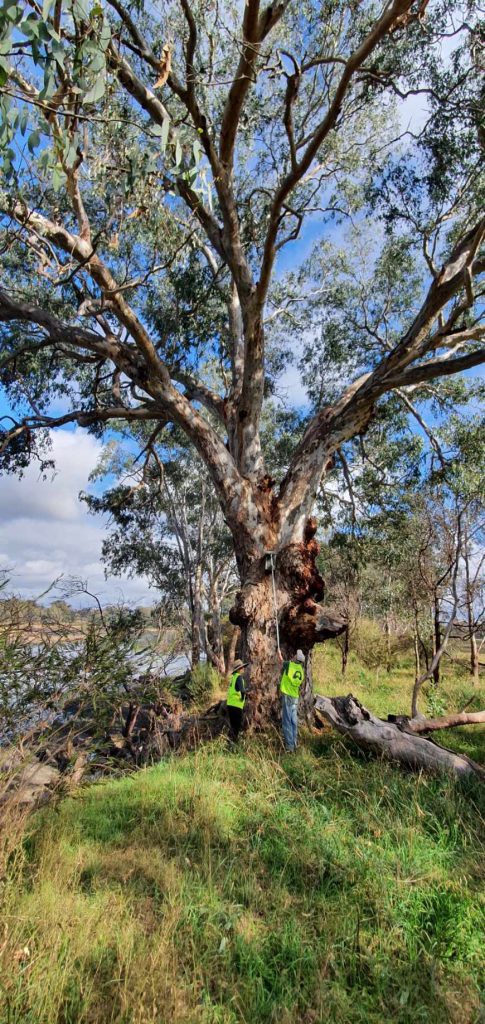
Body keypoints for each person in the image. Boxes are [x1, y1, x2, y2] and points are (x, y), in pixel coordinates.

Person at [277, 649, 305, 752]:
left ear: (295, 658)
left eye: (294, 655)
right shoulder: (301, 670)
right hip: (295, 697)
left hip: (287, 696)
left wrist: (279, 654)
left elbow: (281, 661)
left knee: (287, 721)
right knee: (293, 721)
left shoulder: (289, 665)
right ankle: (294, 743)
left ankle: (289, 747)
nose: (293, 655)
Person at [226, 658, 248, 743]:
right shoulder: (239, 677)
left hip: (230, 704)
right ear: (239, 669)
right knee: (237, 726)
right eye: (242, 668)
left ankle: (229, 742)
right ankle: (234, 744)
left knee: (233, 725)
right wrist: (243, 698)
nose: (243, 669)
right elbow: (242, 691)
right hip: (236, 705)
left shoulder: (233, 677)